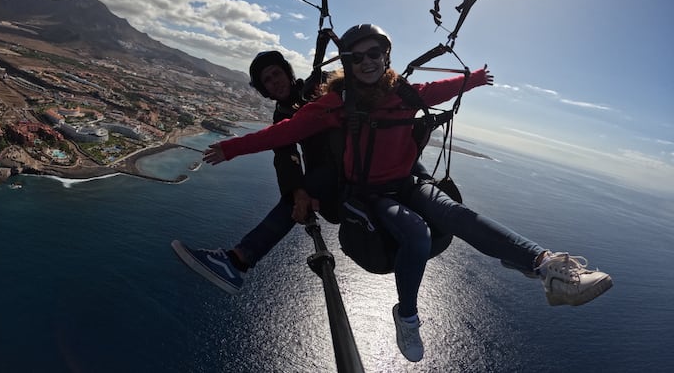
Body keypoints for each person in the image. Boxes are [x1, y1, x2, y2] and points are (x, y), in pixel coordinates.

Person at [203, 24, 613, 363]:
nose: (367, 62)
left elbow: (439, 90)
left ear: (386, 56)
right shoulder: (334, 103)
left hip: (407, 181)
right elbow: (283, 134)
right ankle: (408, 316)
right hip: (370, 193)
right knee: (416, 232)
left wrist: (472, 79)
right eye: (358, 57)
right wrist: (231, 147)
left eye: (375, 54)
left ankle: (545, 266)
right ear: (347, 63)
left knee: (455, 213)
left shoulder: (403, 93)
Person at [172, 51, 338, 294]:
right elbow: (285, 157)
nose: (274, 82)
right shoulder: (282, 113)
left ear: (288, 73)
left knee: (298, 194)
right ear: (263, 89)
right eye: (267, 80)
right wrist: (297, 191)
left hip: (347, 168)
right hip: (330, 176)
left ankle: (238, 260)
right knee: (293, 198)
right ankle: (238, 260)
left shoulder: (320, 85)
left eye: (276, 74)